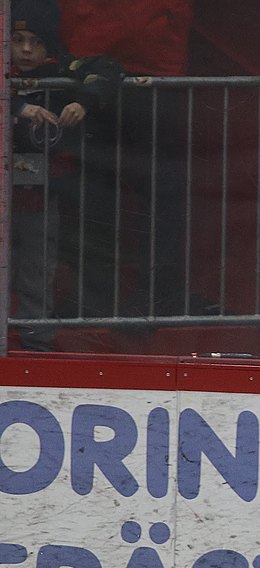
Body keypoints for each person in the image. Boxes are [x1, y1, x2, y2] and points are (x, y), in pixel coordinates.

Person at [58, 0, 204, 318]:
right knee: (95, 196)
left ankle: (142, 298)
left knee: (144, 196)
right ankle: (106, 299)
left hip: (141, 72)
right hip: (114, 69)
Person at [7, 1, 121, 350]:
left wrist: (83, 100)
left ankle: (35, 343)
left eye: (37, 42)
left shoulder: (64, 70)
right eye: (17, 39)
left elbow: (109, 69)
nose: (26, 50)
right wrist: (16, 106)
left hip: (38, 194)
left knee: (36, 266)